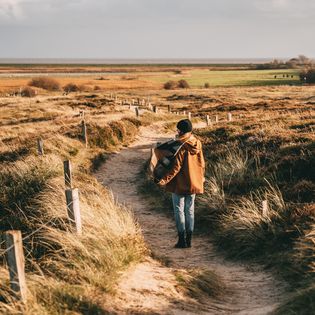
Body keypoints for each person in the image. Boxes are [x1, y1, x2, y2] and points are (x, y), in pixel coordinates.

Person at [155, 119, 205, 248]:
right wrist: (201, 178)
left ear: (181, 130)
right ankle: (189, 240)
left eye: (178, 129)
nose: (177, 132)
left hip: (180, 184)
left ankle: (182, 240)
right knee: (190, 211)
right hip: (194, 182)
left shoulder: (181, 146)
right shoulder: (197, 143)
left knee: (179, 211)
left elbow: (175, 168)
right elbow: (202, 164)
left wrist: (163, 180)